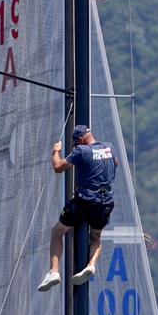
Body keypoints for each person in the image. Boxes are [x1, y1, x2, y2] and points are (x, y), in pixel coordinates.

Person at [38, 124, 118, 292]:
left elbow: (58, 167)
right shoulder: (109, 147)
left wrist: (56, 151)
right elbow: (115, 163)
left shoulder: (81, 151)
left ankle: (53, 272)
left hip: (84, 202)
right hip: (105, 203)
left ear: (80, 139)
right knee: (96, 237)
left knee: (57, 231)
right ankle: (91, 265)